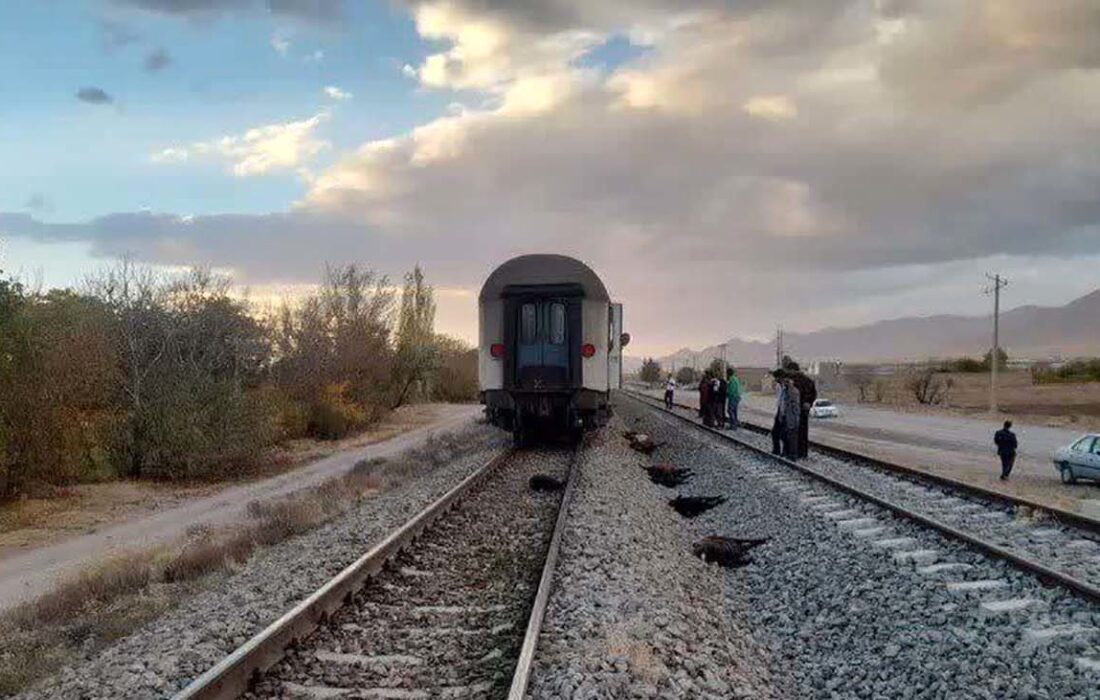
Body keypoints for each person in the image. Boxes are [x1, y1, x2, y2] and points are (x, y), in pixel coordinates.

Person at [784, 359, 817, 459]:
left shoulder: (793, 381)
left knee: (793, 431)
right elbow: (814, 393)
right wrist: (809, 403)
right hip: (803, 409)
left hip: (796, 409)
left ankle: (794, 452)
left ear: (793, 370)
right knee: (803, 431)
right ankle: (802, 453)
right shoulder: (808, 380)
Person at [780, 377, 802, 459]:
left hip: (792, 418)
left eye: (787, 382)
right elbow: (782, 404)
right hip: (785, 417)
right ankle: (786, 452)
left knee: (792, 437)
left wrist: (796, 419)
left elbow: (795, 406)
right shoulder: (784, 391)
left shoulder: (793, 392)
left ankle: (792, 454)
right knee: (784, 435)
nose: (785, 384)